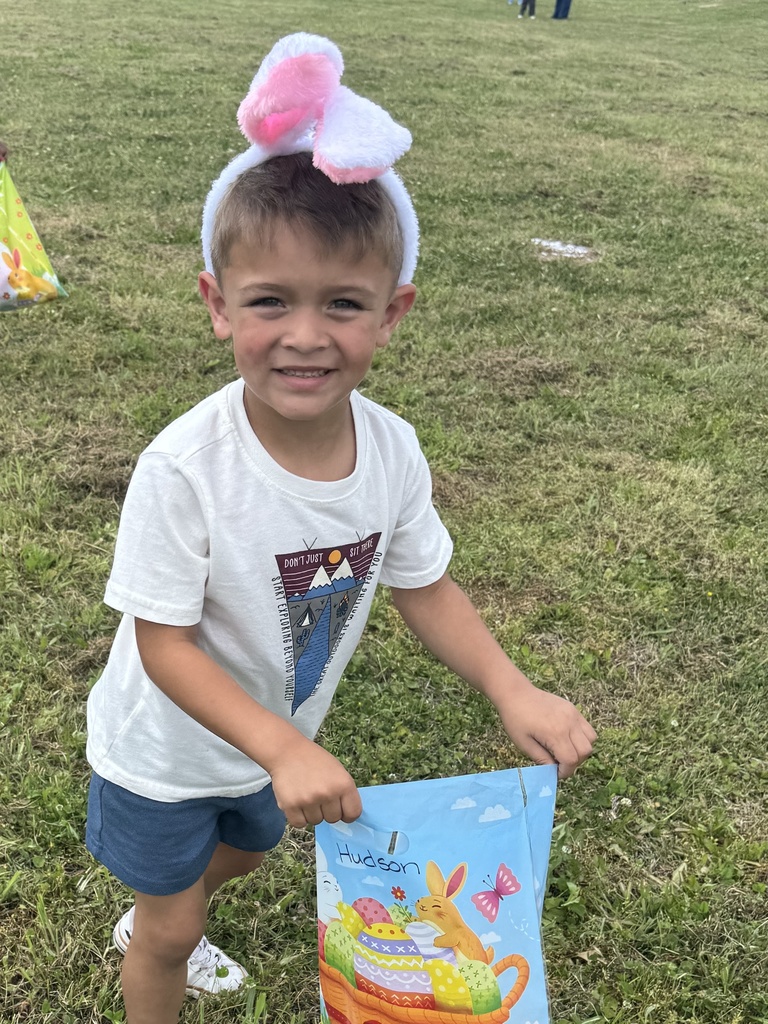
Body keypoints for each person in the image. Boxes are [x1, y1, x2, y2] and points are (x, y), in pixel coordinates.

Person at [85, 32, 596, 1024]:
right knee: (174, 930)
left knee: (253, 844)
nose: (307, 334)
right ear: (216, 306)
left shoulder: (393, 450)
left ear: (393, 313)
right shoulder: (186, 465)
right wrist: (282, 746)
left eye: (344, 304)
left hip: (275, 749)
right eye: (270, 301)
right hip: (164, 752)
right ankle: (156, 934)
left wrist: (510, 683)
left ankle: (171, 896)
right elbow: (162, 644)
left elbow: (424, 583)